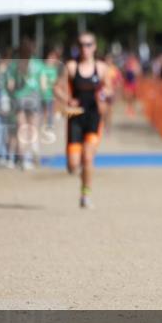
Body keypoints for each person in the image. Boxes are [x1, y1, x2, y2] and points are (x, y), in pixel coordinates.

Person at [55, 33, 112, 208]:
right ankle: (76, 169)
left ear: (94, 46)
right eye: (81, 45)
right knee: (73, 165)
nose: (84, 48)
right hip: (75, 118)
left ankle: (85, 195)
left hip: (93, 117)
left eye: (88, 44)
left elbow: (109, 89)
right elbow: (57, 88)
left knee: (87, 157)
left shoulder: (101, 68)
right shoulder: (71, 67)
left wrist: (103, 94)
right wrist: (67, 99)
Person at [7, 40, 45, 170]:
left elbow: (10, 86)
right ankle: (33, 151)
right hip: (34, 97)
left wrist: (13, 94)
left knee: (21, 129)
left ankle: (23, 159)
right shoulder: (38, 64)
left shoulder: (14, 64)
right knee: (33, 128)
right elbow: (44, 86)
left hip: (19, 98)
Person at [40, 49, 61, 130]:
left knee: (50, 110)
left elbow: (55, 82)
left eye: (53, 58)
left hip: (50, 94)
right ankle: (41, 124)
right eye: (50, 57)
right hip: (42, 94)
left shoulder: (54, 70)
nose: (51, 59)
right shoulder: (42, 67)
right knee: (41, 111)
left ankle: (49, 126)